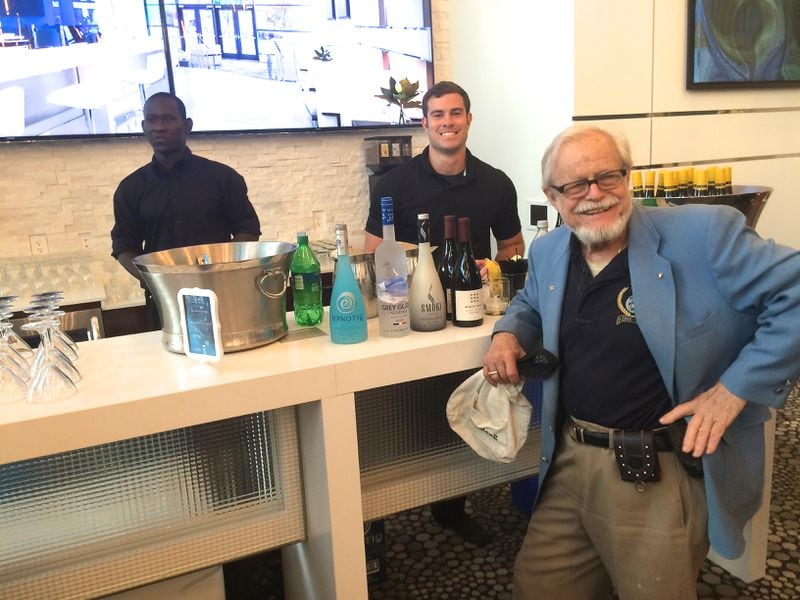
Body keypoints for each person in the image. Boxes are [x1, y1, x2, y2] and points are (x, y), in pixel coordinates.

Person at [482, 124, 800, 599]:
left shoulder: (703, 234)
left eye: (608, 176)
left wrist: (735, 388)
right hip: (568, 459)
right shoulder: (549, 250)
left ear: (627, 176)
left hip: (653, 471)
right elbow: (530, 301)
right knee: (539, 586)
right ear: (552, 195)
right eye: (575, 185)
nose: (595, 195)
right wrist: (507, 333)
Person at [364, 81, 525, 546]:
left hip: (474, 319)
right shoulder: (395, 184)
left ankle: (455, 500)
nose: (447, 122)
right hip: (414, 317)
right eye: (438, 115)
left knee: (465, 404)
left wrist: (492, 265)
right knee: (410, 408)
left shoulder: (496, 182)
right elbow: (375, 250)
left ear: (469, 120)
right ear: (425, 123)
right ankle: (386, 502)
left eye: (456, 114)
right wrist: (426, 257)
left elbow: (512, 248)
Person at [111, 92, 261, 328]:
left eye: (168, 119)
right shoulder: (130, 188)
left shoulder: (222, 178)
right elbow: (124, 246)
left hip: (222, 299)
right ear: (143, 127)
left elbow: (248, 231)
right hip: (163, 305)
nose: (159, 127)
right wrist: (156, 281)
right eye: (152, 120)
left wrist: (219, 273)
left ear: (187, 125)